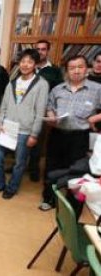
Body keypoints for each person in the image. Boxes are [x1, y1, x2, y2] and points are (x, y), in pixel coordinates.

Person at [40, 55, 101, 211]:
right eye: (72, 68)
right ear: (66, 71)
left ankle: (72, 205)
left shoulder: (96, 89)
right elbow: (50, 106)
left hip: (80, 137)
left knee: (75, 170)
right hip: (58, 134)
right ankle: (49, 198)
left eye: (80, 67)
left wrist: (95, 117)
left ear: (86, 69)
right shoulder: (58, 89)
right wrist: (52, 115)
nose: (76, 71)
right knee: (52, 166)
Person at [0, 49, 49, 199]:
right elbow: (4, 105)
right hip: (7, 128)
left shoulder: (42, 84)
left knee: (19, 163)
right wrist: (0, 122)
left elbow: (41, 111)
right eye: (23, 61)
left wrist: (34, 134)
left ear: (35, 64)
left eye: (29, 62)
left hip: (25, 130)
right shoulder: (12, 83)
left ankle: (12, 187)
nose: (25, 65)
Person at [27, 40, 64, 181]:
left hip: (43, 112)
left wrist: (52, 111)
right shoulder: (27, 67)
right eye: (37, 49)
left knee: (37, 140)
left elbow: (59, 92)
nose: (40, 52)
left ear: (48, 51)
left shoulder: (54, 70)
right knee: (22, 139)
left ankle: (34, 169)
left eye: (43, 49)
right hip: (25, 110)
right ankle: (19, 165)